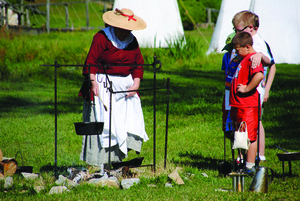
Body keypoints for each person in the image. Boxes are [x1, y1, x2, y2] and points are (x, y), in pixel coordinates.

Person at [78, 8, 149, 170]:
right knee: (104, 124)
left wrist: (136, 83)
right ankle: (98, 163)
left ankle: (117, 160)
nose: (125, 33)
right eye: (122, 29)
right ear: (114, 25)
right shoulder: (101, 38)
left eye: (128, 29)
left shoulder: (132, 41)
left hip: (125, 89)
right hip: (103, 84)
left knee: (126, 122)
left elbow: (138, 64)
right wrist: (93, 81)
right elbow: (91, 60)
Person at [232, 10, 276, 163]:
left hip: (253, 93)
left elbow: (269, 62)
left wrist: (259, 55)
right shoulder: (246, 43)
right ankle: (244, 156)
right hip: (244, 96)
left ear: (250, 28)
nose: (236, 33)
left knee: (255, 125)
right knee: (246, 126)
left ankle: (258, 156)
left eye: (238, 30)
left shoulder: (257, 42)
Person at [229, 32, 264, 174]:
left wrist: (247, 88)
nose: (236, 52)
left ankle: (250, 167)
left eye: (237, 49)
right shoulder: (244, 58)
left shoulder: (252, 59)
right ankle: (244, 163)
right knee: (241, 136)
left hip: (248, 105)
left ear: (247, 47)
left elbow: (259, 75)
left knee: (250, 136)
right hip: (239, 105)